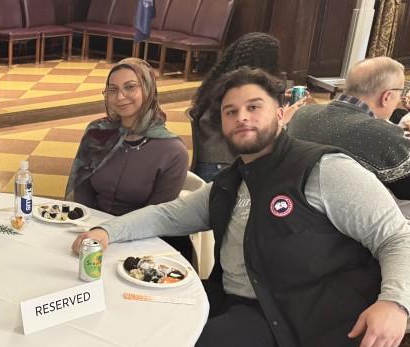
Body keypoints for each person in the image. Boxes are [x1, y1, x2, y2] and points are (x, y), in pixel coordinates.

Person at [72, 68, 410, 347]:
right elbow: (170, 215)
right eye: (230, 112)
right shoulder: (236, 178)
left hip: (292, 330)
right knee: (137, 318)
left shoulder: (323, 170)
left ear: (282, 112)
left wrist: (395, 302)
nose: (241, 118)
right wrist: (107, 232)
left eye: (254, 107)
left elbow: (398, 235)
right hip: (235, 307)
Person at [65, 57, 190, 259]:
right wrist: (90, 229)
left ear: (148, 90)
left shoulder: (172, 151)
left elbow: (155, 217)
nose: (120, 97)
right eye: (112, 90)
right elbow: (83, 189)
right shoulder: (98, 133)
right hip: (92, 234)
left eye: (130, 87)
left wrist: (110, 233)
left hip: (141, 244)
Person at [287, 56, 410, 199]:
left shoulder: (302, 114)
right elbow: (405, 191)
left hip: (290, 205)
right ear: (387, 97)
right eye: (400, 95)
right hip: (342, 216)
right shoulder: (382, 133)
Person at [189, 32, 291, 182]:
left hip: (208, 162)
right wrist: (283, 119)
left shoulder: (222, 85)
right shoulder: (238, 94)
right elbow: (258, 139)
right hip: (223, 166)